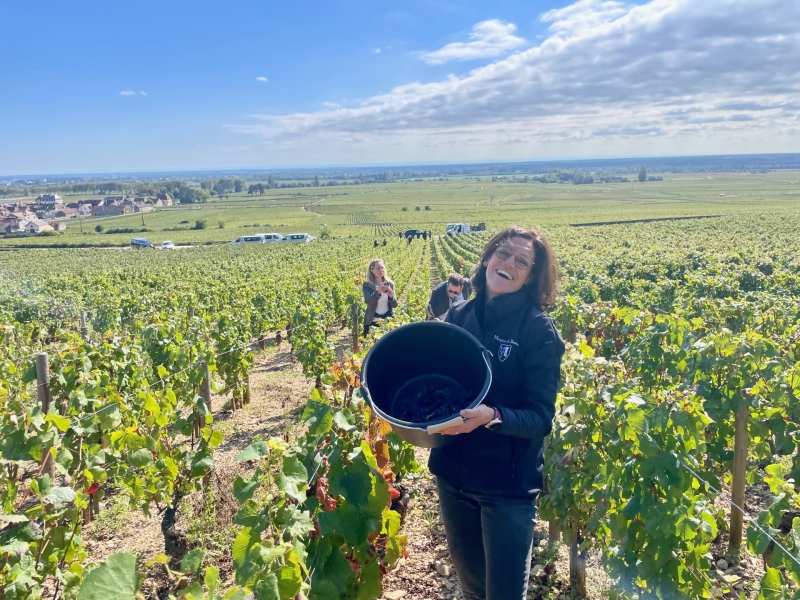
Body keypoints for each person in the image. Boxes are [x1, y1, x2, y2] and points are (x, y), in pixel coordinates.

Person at [432, 225, 565, 600]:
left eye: (522, 261)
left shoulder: (537, 330)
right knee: (473, 589)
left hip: (506, 489)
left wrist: (493, 416)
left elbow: (541, 419)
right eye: (503, 253)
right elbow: (440, 381)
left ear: (531, 277)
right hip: (452, 477)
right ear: (488, 257)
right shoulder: (459, 314)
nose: (509, 263)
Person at [362, 258, 398, 336]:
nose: (381, 270)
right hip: (372, 321)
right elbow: (368, 301)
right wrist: (378, 292)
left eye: (382, 268)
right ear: (371, 270)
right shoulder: (367, 285)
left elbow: (394, 305)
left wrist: (391, 296)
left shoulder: (390, 284)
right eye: (378, 268)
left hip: (388, 322)